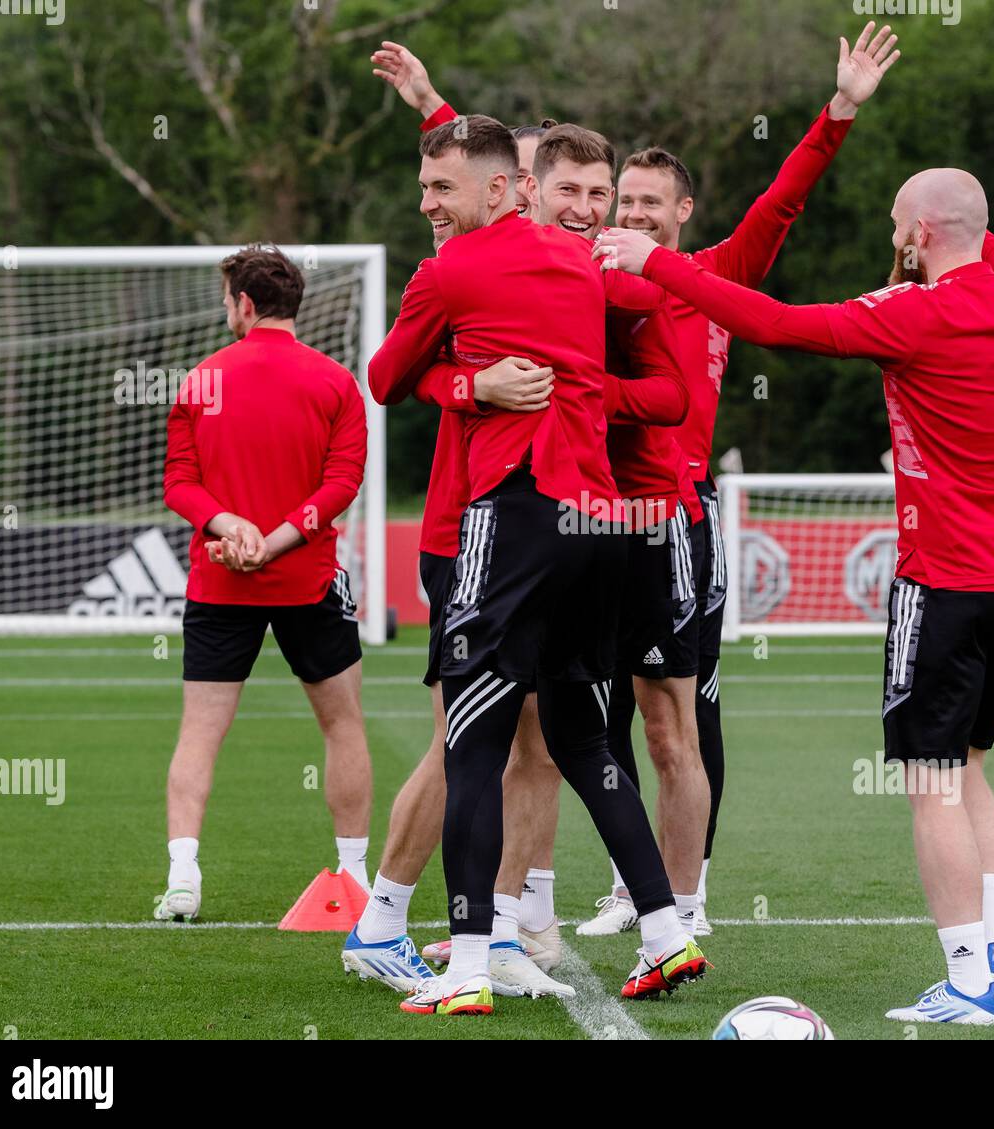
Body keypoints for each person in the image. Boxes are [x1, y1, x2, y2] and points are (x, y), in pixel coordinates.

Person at [597, 162, 994, 1025]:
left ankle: (965, 983)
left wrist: (655, 262)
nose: (894, 234)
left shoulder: (911, 314)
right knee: (968, 770)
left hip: (946, 582)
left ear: (919, 234)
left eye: (899, 222)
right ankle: (991, 955)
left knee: (929, 782)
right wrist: (949, 224)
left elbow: (769, 322)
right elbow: (977, 232)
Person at [368, 114, 707, 1016]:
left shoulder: (449, 272)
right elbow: (669, 371)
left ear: (496, 189)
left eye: (440, 188)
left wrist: (460, 381)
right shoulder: (593, 265)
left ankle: (471, 963)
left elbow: (384, 377)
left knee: (472, 746)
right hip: (600, 523)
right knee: (583, 738)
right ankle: (669, 932)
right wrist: (505, 381)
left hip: (512, 514)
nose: (429, 203)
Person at [580, 17, 900, 939]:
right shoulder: (579, 277)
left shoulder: (716, 271)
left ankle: (688, 897)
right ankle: (628, 884)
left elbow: (783, 200)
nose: (629, 215)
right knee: (592, 709)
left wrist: (838, 110)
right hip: (587, 520)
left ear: (682, 212)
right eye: (621, 202)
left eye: (648, 203)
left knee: (681, 712)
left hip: (675, 522)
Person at [159, 245, 371, 923]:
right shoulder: (337, 382)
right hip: (308, 578)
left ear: (244, 304)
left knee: (199, 733)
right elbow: (342, 484)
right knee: (342, 725)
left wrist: (234, 528)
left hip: (220, 581)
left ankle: (183, 879)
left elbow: (178, 482)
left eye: (228, 301)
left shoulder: (201, 379)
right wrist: (276, 539)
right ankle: (356, 878)